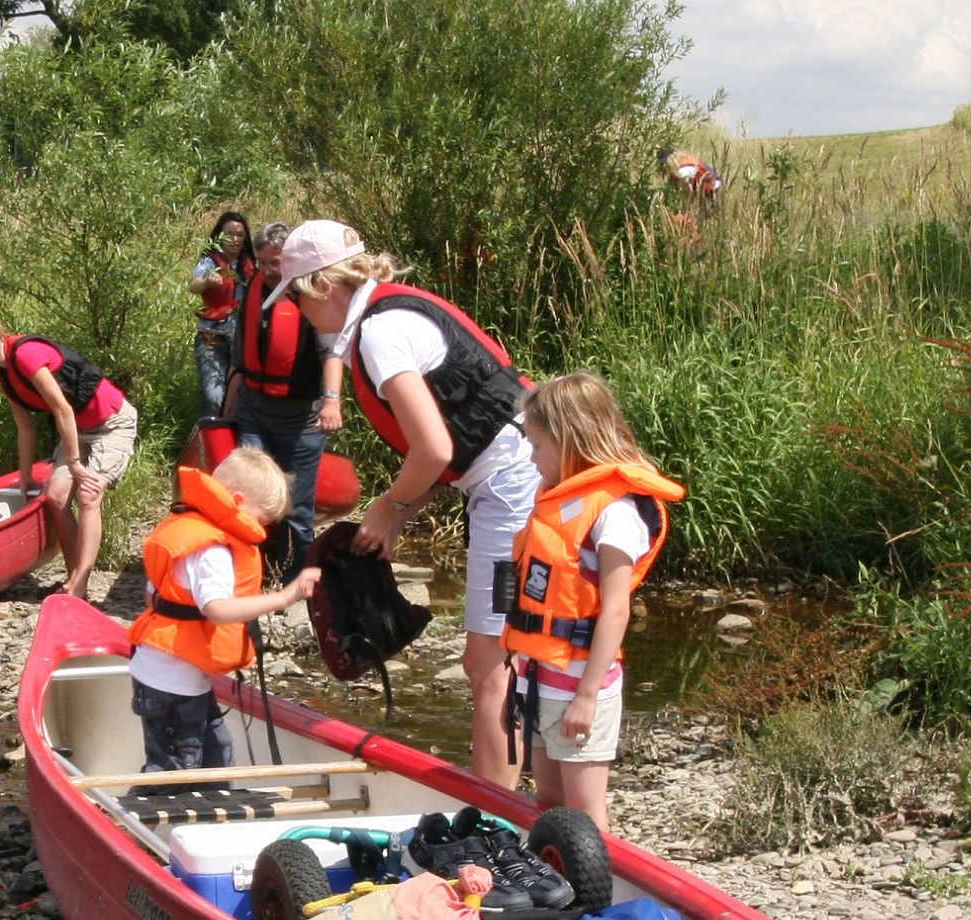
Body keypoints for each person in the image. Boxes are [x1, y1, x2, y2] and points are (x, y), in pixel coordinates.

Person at [267, 219, 542, 789]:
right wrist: (405, 510)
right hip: (518, 474)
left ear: (321, 287)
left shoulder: (379, 333)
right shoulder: (390, 314)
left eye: (295, 295)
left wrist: (390, 506)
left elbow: (436, 447)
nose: (297, 310)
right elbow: (456, 444)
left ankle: (493, 818)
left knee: (488, 662)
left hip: (512, 489)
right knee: (524, 650)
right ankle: (537, 799)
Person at [500, 373, 684, 834]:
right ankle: (558, 882)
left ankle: (597, 894)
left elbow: (616, 611)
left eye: (538, 446)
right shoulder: (559, 498)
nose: (532, 456)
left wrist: (586, 697)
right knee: (548, 801)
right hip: (540, 679)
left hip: (582, 687)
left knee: (584, 814)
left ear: (569, 441)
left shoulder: (615, 514)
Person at [126, 448, 320, 773]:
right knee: (173, 772)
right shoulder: (213, 550)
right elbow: (216, 610)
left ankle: (214, 816)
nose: (264, 529)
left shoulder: (188, 527)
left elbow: (152, 598)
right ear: (239, 501)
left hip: (173, 679)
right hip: (172, 686)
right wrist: (284, 597)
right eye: (263, 519)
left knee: (218, 757)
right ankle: (132, 818)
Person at [0, 312, 139, 599]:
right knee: (55, 497)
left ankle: (80, 581)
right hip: (78, 429)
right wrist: (26, 475)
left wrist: (75, 465)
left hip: (111, 423)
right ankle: (73, 577)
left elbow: (62, 409)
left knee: (89, 495)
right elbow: (25, 428)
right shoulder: (5, 375)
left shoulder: (26, 354)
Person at [223, 220, 345, 575]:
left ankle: (296, 583)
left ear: (290, 259)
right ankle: (249, 573)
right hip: (253, 412)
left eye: (275, 263)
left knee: (297, 508)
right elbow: (239, 359)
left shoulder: (311, 293)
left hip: (300, 419)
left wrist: (333, 401)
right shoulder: (253, 290)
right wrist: (226, 413)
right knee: (245, 494)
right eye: (262, 263)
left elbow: (332, 352)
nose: (268, 271)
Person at [189, 211, 253, 421]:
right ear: (219, 236)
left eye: (239, 234)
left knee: (240, 397)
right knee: (214, 395)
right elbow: (194, 285)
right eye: (229, 234)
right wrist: (207, 281)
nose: (234, 239)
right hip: (212, 337)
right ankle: (210, 439)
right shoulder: (209, 262)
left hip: (241, 339)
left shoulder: (251, 263)